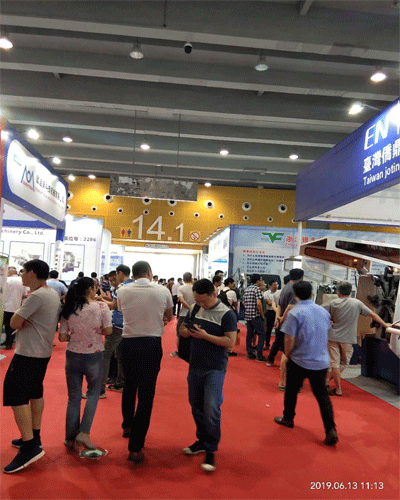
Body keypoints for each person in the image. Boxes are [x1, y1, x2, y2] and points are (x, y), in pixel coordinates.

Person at [3, 260, 61, 473]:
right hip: (41, 352)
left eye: (23, 271)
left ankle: (29, 446)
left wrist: (20, 319)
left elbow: (13, 322)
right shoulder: (50, 293)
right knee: (35, 392)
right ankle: (34, 437)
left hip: (29, 353)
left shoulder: (37, 296)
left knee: (15, 395)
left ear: (32, 273)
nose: (21, 274)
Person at [117, 261, 173, 463]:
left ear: (133, 274)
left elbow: (122, 311)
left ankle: (127, 425)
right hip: (151, 344)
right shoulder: (162, 290)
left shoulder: (122, 290)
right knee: (146, 394)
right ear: (149, 272)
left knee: (129, 386)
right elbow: (169, 316)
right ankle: (135, 447)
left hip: (128, 343)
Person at [180, 278, 237, 472]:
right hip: (195, 365)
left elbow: (230, 342)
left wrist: (205, 336)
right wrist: (187, 332)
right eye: (197, 300)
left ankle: (211, 449)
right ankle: (202, 441)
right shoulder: (195, 307)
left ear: (214, 293)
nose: (200, 304)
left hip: (215, 367)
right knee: (195, 405)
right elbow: (182, 328)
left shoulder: (227, 314)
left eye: (203, 300)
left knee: (211, 408)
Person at [274, 281, 339, 446]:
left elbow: (289, 338)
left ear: (295, 294)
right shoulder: (323, 311)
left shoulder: (295, 313)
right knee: (322, 395)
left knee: (291, 391)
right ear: (311, 293)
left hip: (299, 360)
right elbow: (327, 331)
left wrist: (288, 354)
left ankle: (288, 418)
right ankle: (330, 429)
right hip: (321, 361)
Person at [59, 277, 112, 450]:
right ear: (90, 289)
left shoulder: (69, 307)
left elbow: (62, 337)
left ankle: (70, 437)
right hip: (94, 355)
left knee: (73, 397)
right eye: (96, 287)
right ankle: (84, 432)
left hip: (73, 355)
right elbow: (108, 330)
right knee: (93, 394)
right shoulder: (101, 307)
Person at [324, 281, 391, 396]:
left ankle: (328, 383)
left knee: (334, 363)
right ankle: (336, 388)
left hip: (332, 336)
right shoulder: (357, 303)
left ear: (338, 292)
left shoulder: (333, 303)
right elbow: (372, 314)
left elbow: (320, 312)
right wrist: (385, 324)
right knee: (344, 363)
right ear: (350, 291)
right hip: (348, 338)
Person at [267, 269, 304, 392]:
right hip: (291, 325)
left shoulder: (285, 287)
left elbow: (279, 306)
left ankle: (283, 382)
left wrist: (278, 319)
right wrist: (282, 318)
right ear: (301, 278)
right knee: (291, 354)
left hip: (284, 325)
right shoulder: (296, 288)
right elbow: (290, 307)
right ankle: (287, 382)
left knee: (286, 353)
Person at [98, 264, 133, 396]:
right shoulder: (134, 286)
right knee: (121, 356)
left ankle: (100, 389)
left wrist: (101, 301)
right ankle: (120, 383)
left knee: (105, 355)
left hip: (118, 324)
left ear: (120, 273)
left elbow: (114, 306)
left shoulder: (121, 288)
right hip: (130, 325)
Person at [2, 267, 28, 350]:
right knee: (12, 327)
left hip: (3, 307)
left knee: (3, 326)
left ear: (9, 273)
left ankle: (6, 341)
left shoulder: (5, 280)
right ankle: (9, 343)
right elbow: (24, 295)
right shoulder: (22, 281)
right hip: (16, 308)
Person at [243, 274, 266, 362]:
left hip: (248, 316)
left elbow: (244, 302)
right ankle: (259, 355)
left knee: (249, 334)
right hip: (256, 316)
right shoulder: (257, 289)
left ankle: (249, 353)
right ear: (258, 281)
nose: (262, 281)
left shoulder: (247, 289)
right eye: (261, 280)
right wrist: (262, 315)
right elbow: (259, 304)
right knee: (261, 334)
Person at [171, 272, 194, 357]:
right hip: (196, 314)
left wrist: (189, 308)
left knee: (179, 333)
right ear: (191, 278)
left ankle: (179, 351)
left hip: (184, 314)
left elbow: (181, 300)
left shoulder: (181, 288)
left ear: (183, 279)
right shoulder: (195, 287)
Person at [218, 277, 239, 357]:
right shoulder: (232, 292)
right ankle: (229, 350)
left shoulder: (220, 291)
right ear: (229, 283)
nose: (234, 285)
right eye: (233, 283)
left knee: (222, 330)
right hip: (229, 313)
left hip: (220, 312)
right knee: (231, 331)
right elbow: (235, 304)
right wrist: (236, 312)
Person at [263, 280, 279, 350]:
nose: (276, 286)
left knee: (278, 329)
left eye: (277, 285)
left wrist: (274, 303)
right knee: (268, 329)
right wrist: (275, 304)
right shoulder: (266, 293)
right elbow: (269, 303)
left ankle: (278, 345)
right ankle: (267, 344)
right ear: (270, 286)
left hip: (278, 312)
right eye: (274, 285)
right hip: (270, 312)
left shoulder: (279, 292)